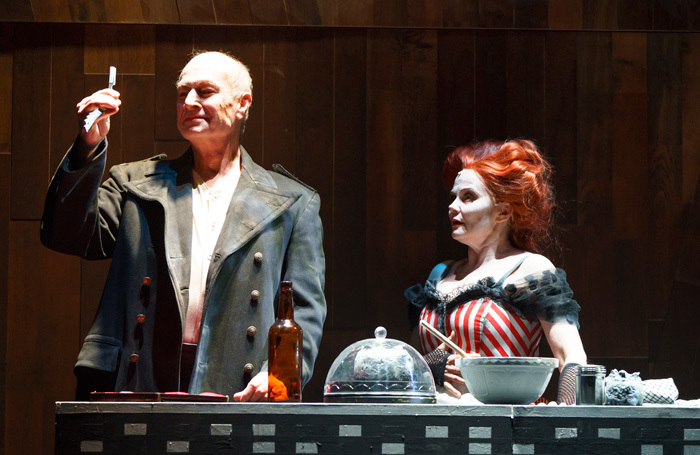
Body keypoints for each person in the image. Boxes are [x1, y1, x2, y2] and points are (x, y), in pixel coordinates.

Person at [40, 51, 326, 402]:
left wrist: (280, 374)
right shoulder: (135, 183)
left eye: (204, 92)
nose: (189, 102)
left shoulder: (292, 202)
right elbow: (66, 233)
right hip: (139, 372)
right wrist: (88, 148)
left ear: (241, 104)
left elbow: (304, 311)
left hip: (240, 382)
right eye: (182, 93)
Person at [404, 139, 586, 404]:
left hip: (506, 426)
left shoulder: (531, 268)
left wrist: (569, 420)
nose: (452, 206)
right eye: (453, 196)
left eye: (468, 197)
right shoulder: (440, 274)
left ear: (503, 212)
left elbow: (571, 357)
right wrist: (432, 364)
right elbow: (407, 363)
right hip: (433, 425)